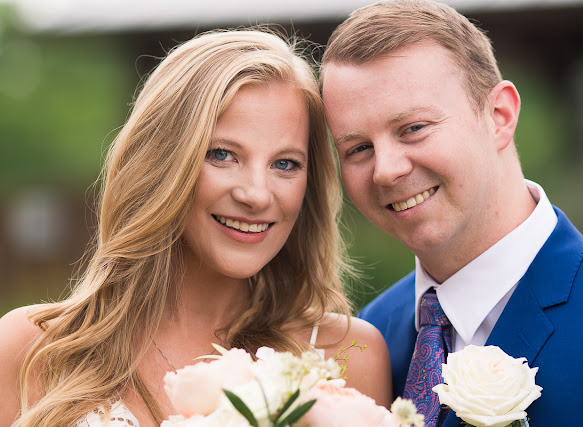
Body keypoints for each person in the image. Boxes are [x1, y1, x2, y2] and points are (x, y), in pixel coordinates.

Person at [0, 29, 392, 426]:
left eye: (285, 164)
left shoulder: (349, 355)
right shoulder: (28, 347)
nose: (256, 194)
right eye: (222, 154)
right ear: (164, 162)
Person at [320, 0, 583, 425]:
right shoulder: (371, 335)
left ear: (500, 116)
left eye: (413, 129)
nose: (386, 170)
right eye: (358, 148)